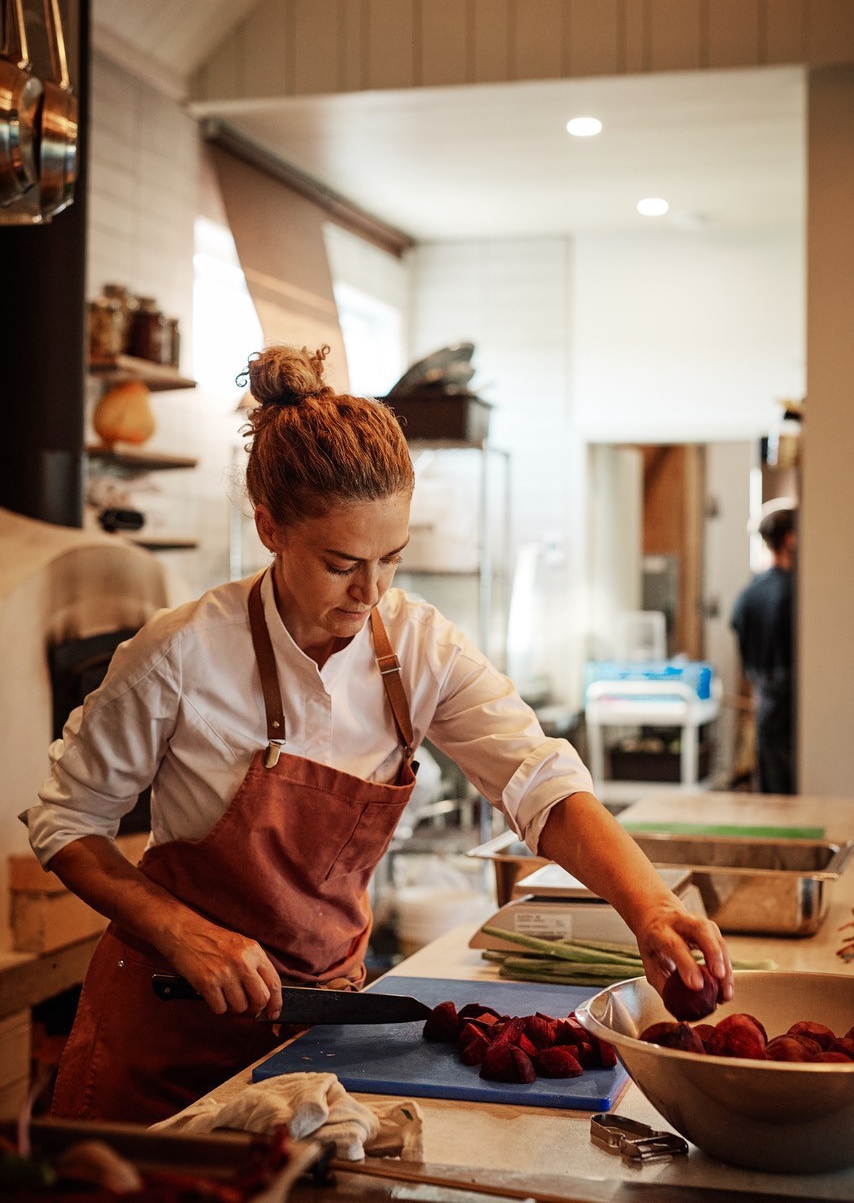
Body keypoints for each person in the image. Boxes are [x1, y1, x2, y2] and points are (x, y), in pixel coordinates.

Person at [21, 345, 732, 1125]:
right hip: (168, 1034)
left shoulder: (421, 649)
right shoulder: (180, 654)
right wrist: (180, 931)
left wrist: (650, 908)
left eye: (391, 559)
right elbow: (66, 822)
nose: (370, 592)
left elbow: (540, 782)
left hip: (320, 1033)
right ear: (269, 528)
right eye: (341, 564)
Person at [730, 503, 797, 795]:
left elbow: (740, 636)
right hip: (792, 702)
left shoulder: (748, 595)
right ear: (790, 539)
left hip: (764, 700)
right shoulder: (796, 592)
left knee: (770, 787)